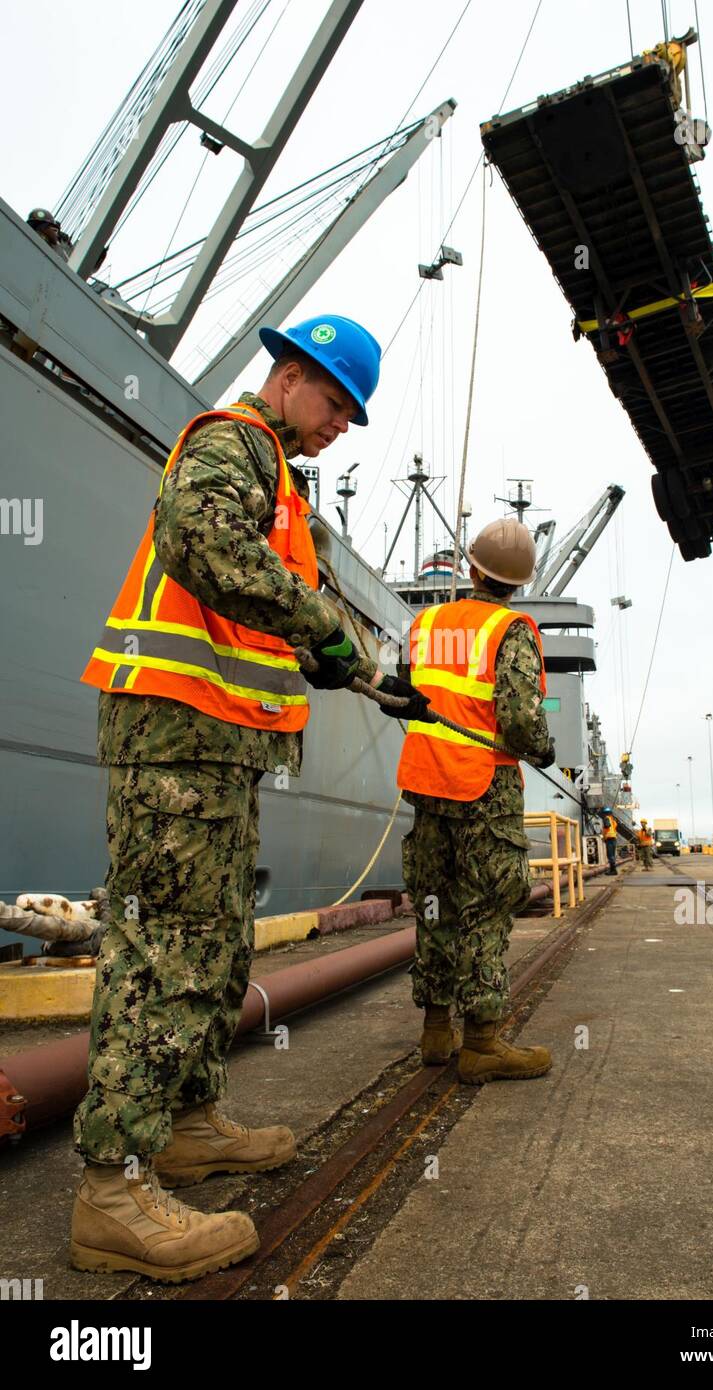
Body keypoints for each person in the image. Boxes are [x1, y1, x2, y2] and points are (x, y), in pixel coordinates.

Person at [70, 315, 426, 1284]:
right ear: (294, 377)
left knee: (214, 937)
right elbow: (199, 541)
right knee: (168, 948)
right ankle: (113, 1189)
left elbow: (266, 602)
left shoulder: (281, 479)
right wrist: (321, 623)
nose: (341, 429)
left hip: (218, 742)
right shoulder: (235, 444)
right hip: (174, 732)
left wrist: (340, 656)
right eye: (338, 407)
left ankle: (183, 1125)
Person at [389, 517, 556, 1084]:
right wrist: (544, 748)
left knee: (435, 904)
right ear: (519, 583)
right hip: (483, 784)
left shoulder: (427, 622)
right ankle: (482, 1041)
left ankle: (436, 1033)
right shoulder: (511, 630)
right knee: (485, 907)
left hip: (425, 780)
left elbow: (410, 690)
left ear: (471, 567)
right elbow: (519, 718)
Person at [601, 807, 618, 875]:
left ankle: (613, 870)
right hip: (613, 838)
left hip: (609, 839)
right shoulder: (613, 820)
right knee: (612, 855)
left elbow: (607, 825)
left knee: (610, 855)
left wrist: (604, 834)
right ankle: (612, 870)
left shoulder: (606, 818)